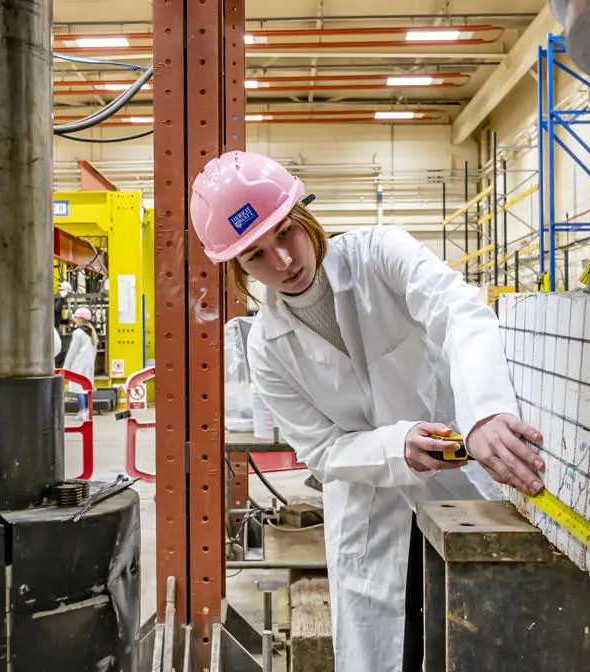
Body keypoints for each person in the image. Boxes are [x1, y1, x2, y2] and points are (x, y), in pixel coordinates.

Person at [189, 151, 546, 672]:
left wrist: (485, 414)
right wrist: (396, 447)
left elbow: (458, 310)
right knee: (395, 651)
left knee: (481, 639)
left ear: (305, 214)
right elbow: (322, 450)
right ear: (237, 268)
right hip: (372, 522)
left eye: (285, 233)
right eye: (255, 256)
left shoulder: (381, 255)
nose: (283, 262)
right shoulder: (266, 348)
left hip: (465, 485)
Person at [65, 306, 99, 385]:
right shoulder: (92, 333)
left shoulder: (78, 333)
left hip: (78, 368)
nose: (75, 319)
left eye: (76, 317)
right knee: (86, 391)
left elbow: (72, 352)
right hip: (88, 367)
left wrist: (66, 368)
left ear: (81, 319)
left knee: (79, 391)